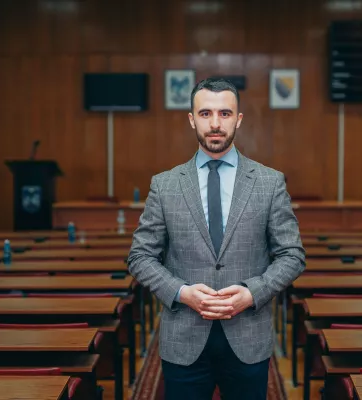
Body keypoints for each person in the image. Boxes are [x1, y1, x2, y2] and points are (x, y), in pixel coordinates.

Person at [127, 77, 305, 400]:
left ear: (238, 119)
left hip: (248, 339)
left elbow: (292, 255)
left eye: (224, 114)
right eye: (206, 113)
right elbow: (139, 257)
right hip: (184, 339)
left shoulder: (269, 182)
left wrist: (252, 293)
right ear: (192, 119)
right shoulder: (164, 185)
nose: (215, 124)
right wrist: (182, 292)